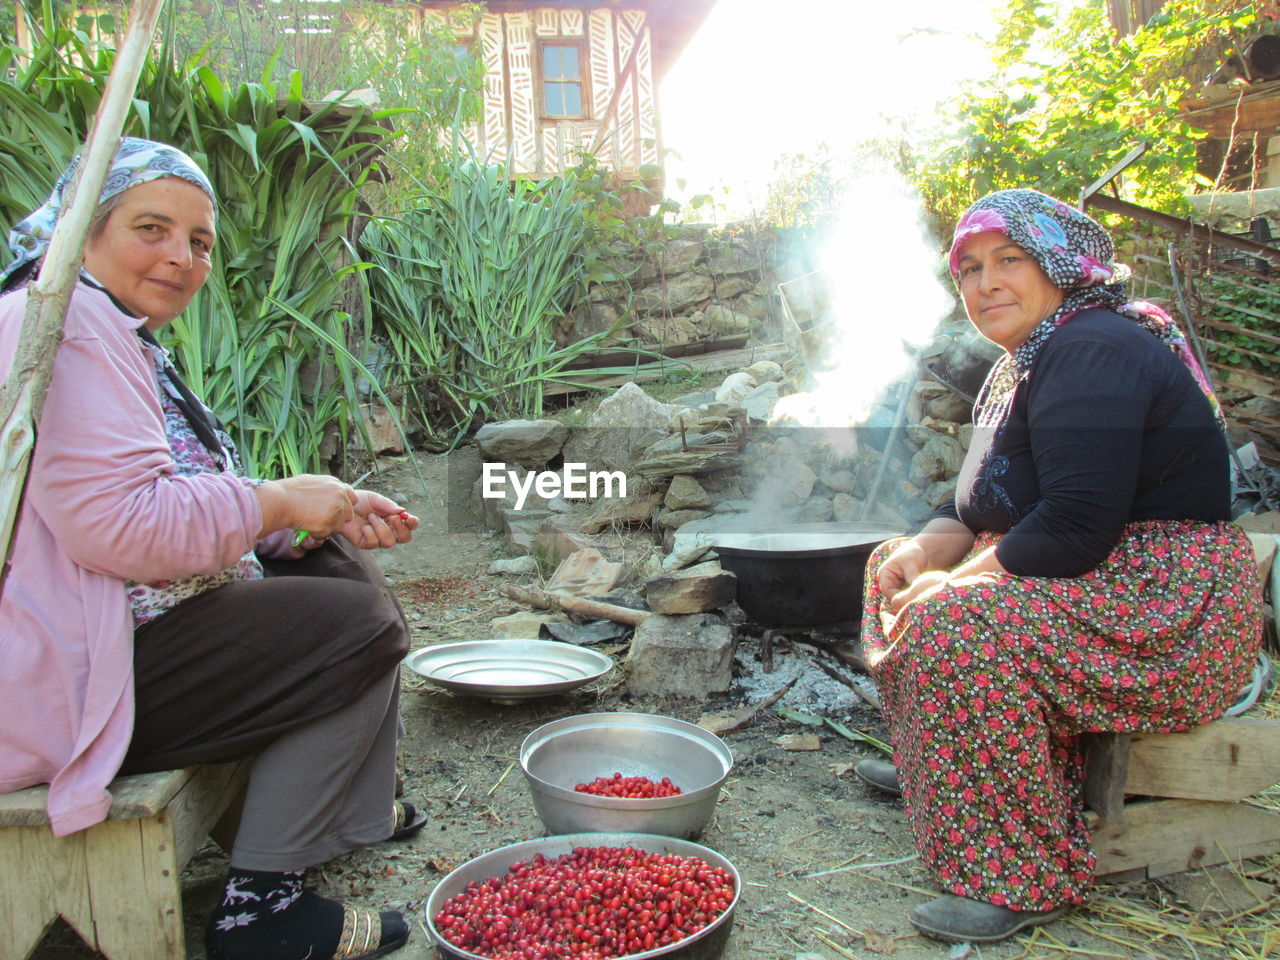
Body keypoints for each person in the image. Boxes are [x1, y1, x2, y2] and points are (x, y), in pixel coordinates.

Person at [0, 138, 423, 960]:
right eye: (150, 228)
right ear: (83, 231)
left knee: (333, 566)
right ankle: (259, 911)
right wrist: (276, 500)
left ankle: (346, 816)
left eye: (198, 242)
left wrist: (302, 516)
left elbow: (170, 491)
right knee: (354, 625)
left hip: (122, 631)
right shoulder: (65, 323)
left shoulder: (109, 327)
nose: (180, 258)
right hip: (73, 677)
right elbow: (121, 528)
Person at [855, 189, 1264, 943]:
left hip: (1160, 605)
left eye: (1009, 260)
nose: (986, 284)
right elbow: (978, 501)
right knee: (892, 567)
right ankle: (942, 761)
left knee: (956, 623)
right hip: (1094, 581)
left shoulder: (1092, 348)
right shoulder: (1021, 366)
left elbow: (1076, 524)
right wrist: (922, 553)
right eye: (969, 269)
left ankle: (1022, 878)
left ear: (1061, 265)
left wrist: (957, 584)